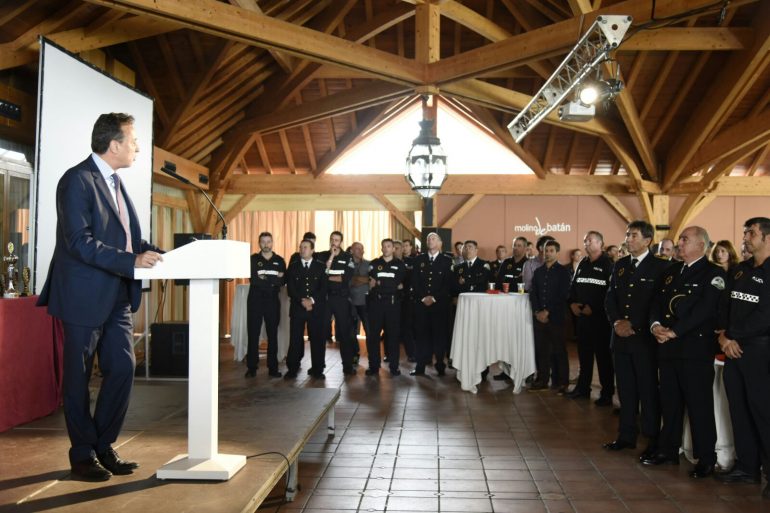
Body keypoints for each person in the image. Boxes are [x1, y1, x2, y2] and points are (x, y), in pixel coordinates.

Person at [37, 113, 163, 481]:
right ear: (114, 145)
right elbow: (79, 242)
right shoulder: (76, 180)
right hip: (82, 296)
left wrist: (158, 254)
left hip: (117, 297)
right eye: (134, 140)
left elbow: (124, 239)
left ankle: (103, 445)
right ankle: (81, 454)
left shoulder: (116, 183)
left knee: (123, 368)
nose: (138, 146)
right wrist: (131, 259)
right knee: (77, 379)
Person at [645, 226, 724, 479]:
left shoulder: (713, 274)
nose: (680, 243)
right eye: (680, 239)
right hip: (668, 348)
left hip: (694, 349)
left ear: (701, 245)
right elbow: (655, 303)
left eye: (685, 240)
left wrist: (675, 331)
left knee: (699, 405)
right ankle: (668, 449)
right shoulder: (670, 272)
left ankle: (706, 458)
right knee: (670, 402)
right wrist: (655, 325)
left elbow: (705, 310)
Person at [603, 220, 670, 459]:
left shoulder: (661, 267)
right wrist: (617, 322)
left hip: (645, 340)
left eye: (633, 235)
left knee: (648, 390)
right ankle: (626, 436)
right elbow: (610, 299)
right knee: (626, 389)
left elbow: (658, 305)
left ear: (647, 240)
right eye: (627, 235)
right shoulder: (620, 265)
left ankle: (652, 438)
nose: (628, 239)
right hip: (620, 338)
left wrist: (636, 325)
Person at [716, 217, 770, 499]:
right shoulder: (740, 270)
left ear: (767, 237)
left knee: (763, 411)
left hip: (760, 351)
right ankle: (747, 467)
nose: (746, 237)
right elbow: (725, 306)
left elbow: (765, 316)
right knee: (738, 409)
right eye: (745, 232)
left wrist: (733, 336)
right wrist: (724, 337)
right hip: (733, 349)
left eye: (752, 232)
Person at [567, 231, 614, 405]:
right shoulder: (583, 263)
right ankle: (582, 389)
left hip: (601, 320)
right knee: (584, 355)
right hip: (582, 318)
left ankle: (607, 393)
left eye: (589, 240)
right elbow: (574, 286)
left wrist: (594, 308)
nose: (585, 243)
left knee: (603, 358)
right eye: (584, 240)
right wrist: (572, 303)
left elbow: (610, 292)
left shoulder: (608, 264)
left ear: (600, 243)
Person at [529, 240, 571, 392]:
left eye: (551, 251)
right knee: (541, 350)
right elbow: (533, 294)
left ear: (557, 252)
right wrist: (537, 312)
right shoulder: (538, 272)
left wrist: (548, 311)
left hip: (556, 317)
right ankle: (542, 379)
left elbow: (563, 294)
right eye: (545, 251)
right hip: (539, 318)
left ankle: (562, 382)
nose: (547, 253)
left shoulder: (563, 271)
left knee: (559, 349)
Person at [411, 232, 453, 376]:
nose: (430, 240)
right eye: (428, 239)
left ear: (440, 243)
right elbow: (414, 282)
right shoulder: (419, 260)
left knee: (439, 336)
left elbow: (447, 285)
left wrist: (434, 298)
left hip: (439, 305)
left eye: (433, 238)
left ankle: (440, 364)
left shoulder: (447, 261)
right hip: (421, 305)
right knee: (421, 335)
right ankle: (420, 366)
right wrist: (424, 297)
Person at [245, 232, 286, 378]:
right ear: (259, 243)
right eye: (263, 242)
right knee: (253, 334)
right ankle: (251, 367)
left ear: (273, 242)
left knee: (272, 335)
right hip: (255, 300)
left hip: (272, 301)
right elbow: (254, 280)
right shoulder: (252, 260)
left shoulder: (280, 260)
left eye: (269, 241)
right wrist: (273, 278)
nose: (266, 244)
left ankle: (273, 368)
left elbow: (282, 282)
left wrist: (264, 278)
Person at [285, 239, 327, 379]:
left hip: (316, 309)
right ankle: (292, 368)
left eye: (306, 247)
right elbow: (290, 288)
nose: (303, 250)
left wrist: (311, 300)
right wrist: (302, 301)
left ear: (312, 250)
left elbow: (323, 288)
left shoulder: (320, 267)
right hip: (298, 308)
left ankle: (317, 369)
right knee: (295, 339)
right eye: (301, 247)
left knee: (317, 339)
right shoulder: (293, 266)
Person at [316, 231, 357, 375]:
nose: (334, 242)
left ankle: (347, 365)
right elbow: (321, 276)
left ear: (341, 242)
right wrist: (331, 257)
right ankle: (318, 366)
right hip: (325, 299)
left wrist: (329, 276)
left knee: (344, 333)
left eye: (337, 240)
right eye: (332, 239)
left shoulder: (347, 257)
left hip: (341, 299)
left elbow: (346, 278)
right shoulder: (321, 256)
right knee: (321, 333)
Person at [366, 238, 405, 376]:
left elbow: (400, 284)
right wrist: (391, 284)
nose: (387, 248)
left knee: (393, 337)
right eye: (384, 246)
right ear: (381, 248)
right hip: (376, 304)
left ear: (393, 249)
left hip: (393, 305)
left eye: (389, 246)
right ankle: (373, 366)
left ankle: (394, 367)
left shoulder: (400, 264)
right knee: (373, 337)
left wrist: (381, 283)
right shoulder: (374, 264)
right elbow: (372, 282)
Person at [349, 241, 369, 364]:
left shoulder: (368, 264)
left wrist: (358, 279)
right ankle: (354, 354)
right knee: (351, 332)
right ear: (351, 250)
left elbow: (372, 279)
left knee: (369, 330)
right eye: (357, 248)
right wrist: (363, 279)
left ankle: (372, 356)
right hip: (350, 301)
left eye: (361, 249)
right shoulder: (346, 263)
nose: (359, 251)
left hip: (365, 302)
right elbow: (347, 279)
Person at [399, 239, 417, 362]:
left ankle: (412, 353)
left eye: (406, 246)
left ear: (411, 247)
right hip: (396, 297)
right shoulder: (397, 261)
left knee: (409, 327)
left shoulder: (414, 261)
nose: (404, 248)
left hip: (409, 298)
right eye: (402, 246)